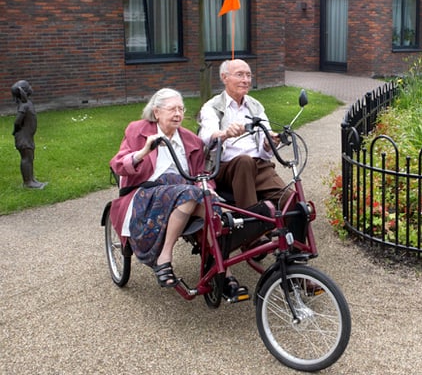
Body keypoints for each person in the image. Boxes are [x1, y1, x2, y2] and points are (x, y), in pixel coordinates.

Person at [109, 88, 245, 298]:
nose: (178, 114)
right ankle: (164, 257)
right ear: (157, 113)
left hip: (184, 191)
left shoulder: (190, 140)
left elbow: (201, 174)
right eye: (172, 109)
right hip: (147, 192)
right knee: (189, 194)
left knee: (215, 209)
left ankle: (222, 268)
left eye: (181, 109)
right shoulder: (138, 130)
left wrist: (208, 189)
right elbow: (118, 164)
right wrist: (144, 151)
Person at [198, 59, 292, 212]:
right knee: (244, 161)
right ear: (224, 77)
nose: (246, 80)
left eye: (248, 75)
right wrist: (226, 134)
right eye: (240, 75)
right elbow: (207, 138)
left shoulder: (255, 106)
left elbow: (265, 137)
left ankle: (293, 236)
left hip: (259, 166)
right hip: (227, 168)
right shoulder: (212, 107)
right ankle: (252, 228)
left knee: (292, 202)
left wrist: (271, 141)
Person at [11, 80, 47, 189]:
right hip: (23, 137)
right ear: (24, 91)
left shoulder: (27, 103)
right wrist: (17, 130)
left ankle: (32, 179)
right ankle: (27, 182)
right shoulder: (24, 106)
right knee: (26, 158)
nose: (31, 87)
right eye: (29, 86)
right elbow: (17, 121)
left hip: (27, 136)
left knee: (30, 158)